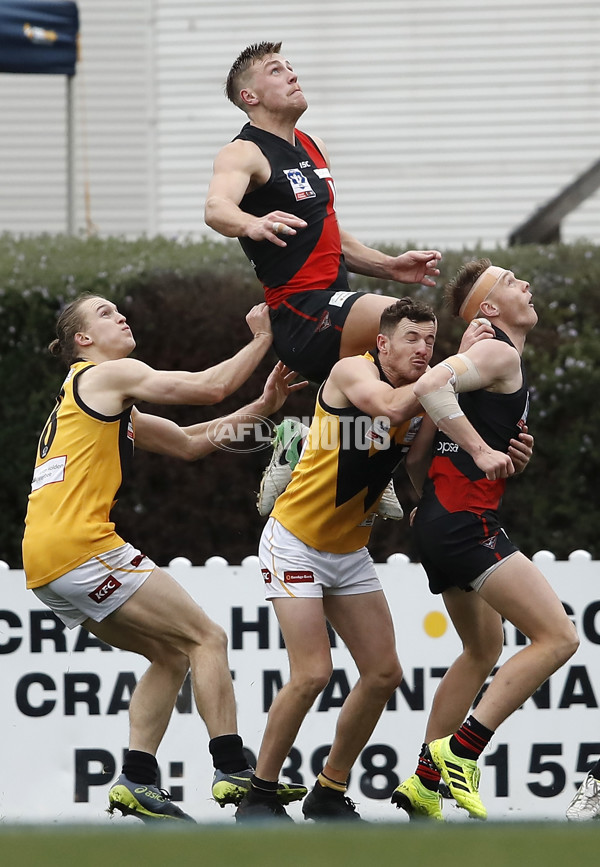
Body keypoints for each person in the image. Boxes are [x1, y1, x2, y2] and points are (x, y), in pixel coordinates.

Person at [233, 298, 532, 823]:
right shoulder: (353, 371)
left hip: (349, 550)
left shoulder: (423, 393)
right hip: (294, 539)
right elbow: (393, 410)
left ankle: (328, 791)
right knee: (312, 673)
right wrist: (449, 367)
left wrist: (500, 452)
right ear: (382, 344)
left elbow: (423, 459)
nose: (423, 350)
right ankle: (259, 793)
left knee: (383, 673)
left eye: (430, 341)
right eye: (412, 339)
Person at [21, 292, 307, 824]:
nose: (120, 315)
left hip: (45, 563)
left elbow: (188, 442)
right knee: (209, 638)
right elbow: (208, 388)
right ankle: (232, 768)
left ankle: (137, 778)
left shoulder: (100, 399)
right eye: (105, 314)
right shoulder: (104, 375)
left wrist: (261, 410)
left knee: (172, 655)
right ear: (83, 341)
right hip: (81, 546)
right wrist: (264, 338)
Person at [205, 40, 442, 518]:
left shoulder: (314, 146)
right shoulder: (243, 152)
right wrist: (250, 223)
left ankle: (311, 448)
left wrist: (389, 264)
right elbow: (216, 208)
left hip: (334, 303)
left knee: (406, 358)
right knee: (405, 329)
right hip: (299, 312)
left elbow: (329, 234)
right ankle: (378, 462)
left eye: (291, 67)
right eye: (276, 71)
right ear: (249, 96)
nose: (292, 75)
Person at [391, 259, 579, 821]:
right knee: (558, 638)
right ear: (491, 310)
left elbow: (430, 433)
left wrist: (493, 452)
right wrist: (480, 450)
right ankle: (462, 751)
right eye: (509, 280)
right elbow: (428, 385)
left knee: (483, 648)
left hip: (439, 522)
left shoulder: (483, 356)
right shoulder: (498, 352)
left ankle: (426, 780)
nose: (524, 281)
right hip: (464, 523)